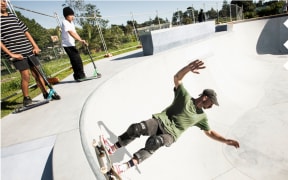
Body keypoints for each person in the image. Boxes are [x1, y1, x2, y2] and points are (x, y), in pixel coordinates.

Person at [101, 60, 240, 175]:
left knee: (154, 143)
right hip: (158, 122)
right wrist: (188, 68)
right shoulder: (184, 96)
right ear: (205, 97)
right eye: (211, 103)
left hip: (171, 135)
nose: (212, 106)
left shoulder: (202, 116)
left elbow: (209, 132)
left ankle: (124, 167)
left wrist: (225, 140)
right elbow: (177, 78)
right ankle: (113, 147)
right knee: (136, 128)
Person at [0, 0, 60, 106]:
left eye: (4, 0)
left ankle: (45, 93)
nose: (2, 3)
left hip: (28, 49)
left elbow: (26, 32)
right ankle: (26, 98)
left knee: (38, 73)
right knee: (26, 75)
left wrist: (35, 46)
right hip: (17, 54)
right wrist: (11, 54)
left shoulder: (13, 17)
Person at [61, 7, 87, 81]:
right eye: (71, 15)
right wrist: (80, 40)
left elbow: (75, 32)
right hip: (67, 45)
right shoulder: (65, 22)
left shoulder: (71, 23)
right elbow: (71, 32)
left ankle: (77, 76)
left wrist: (81, 40)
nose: (73, 17)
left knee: (75, 60)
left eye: (73, 15)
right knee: (76, 60)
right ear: (66, 16)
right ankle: (80, 75)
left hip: (71, 44)